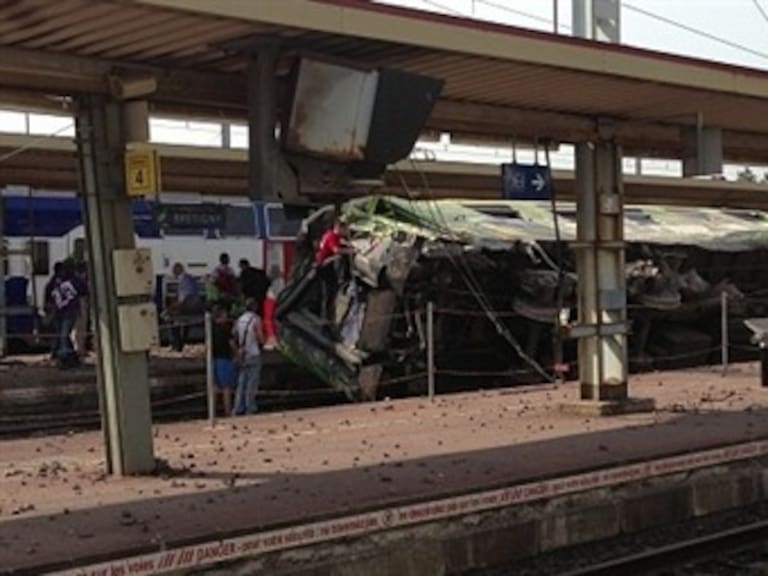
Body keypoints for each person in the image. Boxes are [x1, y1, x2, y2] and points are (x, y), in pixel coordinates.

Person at [232, 298, 264, 416]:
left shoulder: (239, 320)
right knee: (252, 383)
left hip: (242, 354)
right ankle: (250, 407)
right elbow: (260, 336)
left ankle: (237, 407)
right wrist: (262, 343)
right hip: (253, 352)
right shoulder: (256, 319)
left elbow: (233, 335)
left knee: (241, 382)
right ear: (255, 307)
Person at [52, 260, 83, 369]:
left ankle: (64, 357)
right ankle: (71, 357)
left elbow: (83, 291)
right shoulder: (56, 281)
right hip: (61, 312)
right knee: (63, 335)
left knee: (64, 335)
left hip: (69, 312)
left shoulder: (73, 281)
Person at [169, 262, 201, 352]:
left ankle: (177, 343)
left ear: (178, 270)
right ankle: (182, 341)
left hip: (188, 307)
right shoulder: (190, 278)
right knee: (183, 323)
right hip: (195, 305)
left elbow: (182, 300)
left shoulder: (184, 281)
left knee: (171, 319)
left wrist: (171, 307)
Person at [211, 305, 237, 416]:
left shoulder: (211, 329)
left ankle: (212, 411)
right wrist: (237, 355)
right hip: (225, 359)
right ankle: (228, 411)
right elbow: (232, 344)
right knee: (226, 387)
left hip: (213, 359)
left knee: (215, 386)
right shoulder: (225, 329)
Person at [44, 262, 63, 359]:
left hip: (52, 308)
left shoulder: (51, 282)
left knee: (56, 331)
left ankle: (55, 350)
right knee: (59, 331)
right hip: (56, 309)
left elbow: (47, 296)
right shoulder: (58, 282)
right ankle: (57, 351)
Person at [263, 265, 285, 350]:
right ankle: (276, 339)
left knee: (268, 320)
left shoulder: (276, 284)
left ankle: (272, 339)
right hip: (277, 302)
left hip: (272, 300)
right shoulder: (282, 282)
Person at [73, 261, 90, 358]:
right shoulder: (80, 281)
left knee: (77, 328)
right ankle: (80, 349)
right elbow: (85, 293)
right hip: (80, 304)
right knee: (80, 327)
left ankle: (79, 348)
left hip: (75, 305)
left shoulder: (74, 280)